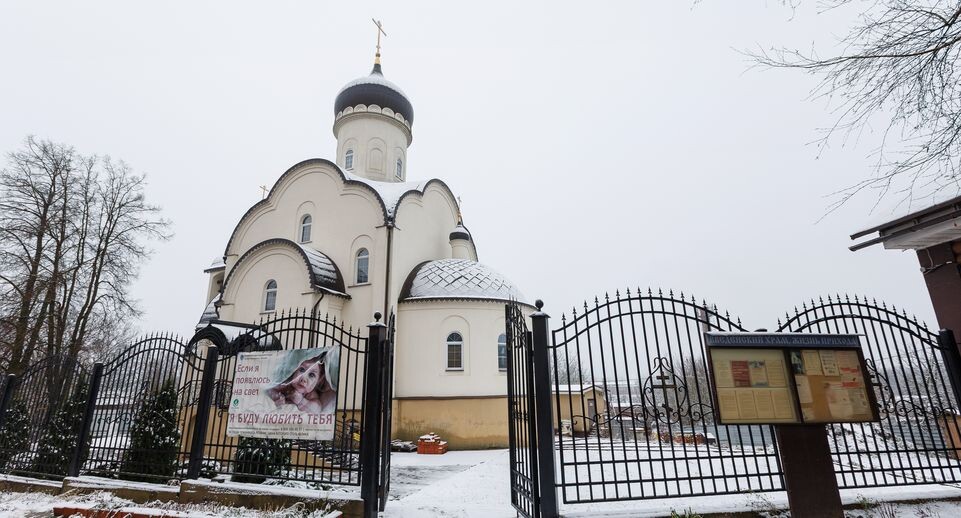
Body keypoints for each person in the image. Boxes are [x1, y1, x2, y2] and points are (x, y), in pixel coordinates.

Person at [265, 353, 336, 414]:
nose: (304, 379)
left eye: (311, 375)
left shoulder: (311, 395)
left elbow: (317, 410)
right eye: (302, 370)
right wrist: (276, 396)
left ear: (318, 381)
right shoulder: (286, 385)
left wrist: (301, 401)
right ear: (293, 370)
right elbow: (269, 389)